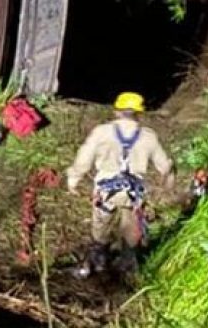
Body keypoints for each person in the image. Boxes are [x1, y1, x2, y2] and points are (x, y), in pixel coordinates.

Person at [67, 92, 175, 276]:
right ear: (139, 114)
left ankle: (97, 259)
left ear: (117, 111)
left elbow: (84, 159)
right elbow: (165, 166)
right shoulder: (148, 136)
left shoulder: (102, 132)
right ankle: (127, 263)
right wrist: (169, 186)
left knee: (100, 224)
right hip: (134, 192)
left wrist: (74, 179)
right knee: (131, 226)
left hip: (106, 191)